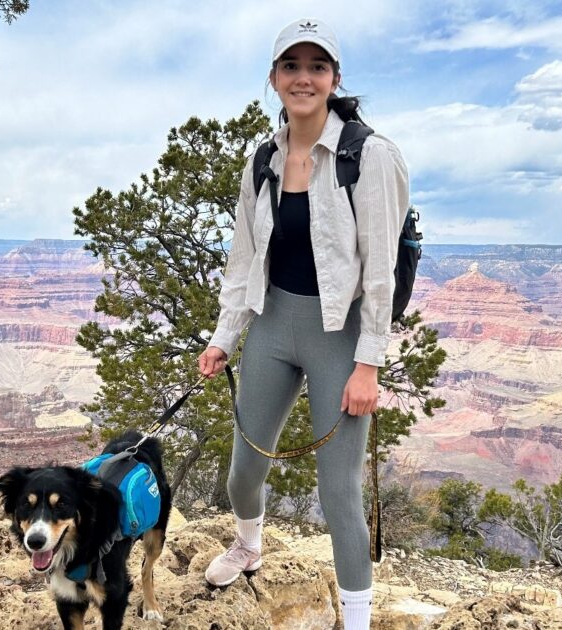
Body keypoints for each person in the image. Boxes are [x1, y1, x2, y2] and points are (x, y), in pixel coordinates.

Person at [196, 17, 410, 630]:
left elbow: (381, 270)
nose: (304, 78)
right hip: (272, 321)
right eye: (292, 66)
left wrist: (368, 363)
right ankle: (249, 545)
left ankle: (358, 619)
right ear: (274, 77)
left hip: (337, 333)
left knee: (338, 491)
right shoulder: (262, 157)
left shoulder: (368, 156)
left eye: (317, 67)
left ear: (335, 78)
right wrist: (223, 336)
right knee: (244, 471)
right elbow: (244, 254)